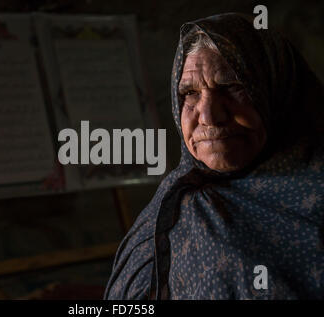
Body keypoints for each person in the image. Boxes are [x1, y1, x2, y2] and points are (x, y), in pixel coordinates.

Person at [104, 13, 324, 300]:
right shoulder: (175, 205)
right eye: (190, 93)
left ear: (277, 90)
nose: (209, 116)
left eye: (233, 87)